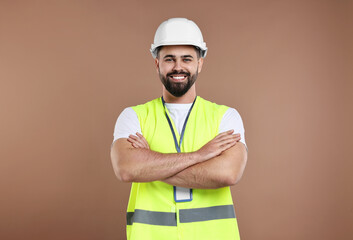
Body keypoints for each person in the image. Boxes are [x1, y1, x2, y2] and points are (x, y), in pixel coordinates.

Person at [110, 18, 248, 240]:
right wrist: (199, 156)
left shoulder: (225, 117)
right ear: (157, 63)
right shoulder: (133, 116)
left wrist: (150, 167)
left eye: (187, 59)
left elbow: (228, 173)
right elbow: (127, 168)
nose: (178, 67)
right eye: (169, 59)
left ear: (200, 63)